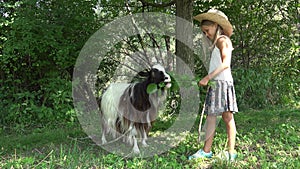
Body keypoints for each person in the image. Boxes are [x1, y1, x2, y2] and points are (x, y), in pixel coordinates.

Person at [189, 9, 238, 161]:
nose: (206, 34)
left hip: (221, 83)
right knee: (221, 117)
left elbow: (225, 64)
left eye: (207, 30)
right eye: (203, 32)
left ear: (216, 25)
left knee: (219, 118)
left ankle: (213, 151)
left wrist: (207, 78)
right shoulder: (219, 42)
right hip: (220, 83)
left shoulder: (223, 40)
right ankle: (225, 152)